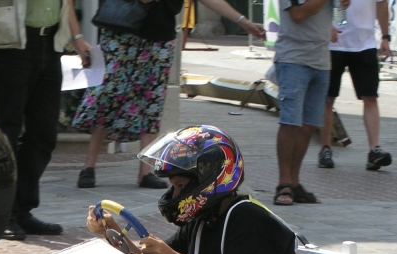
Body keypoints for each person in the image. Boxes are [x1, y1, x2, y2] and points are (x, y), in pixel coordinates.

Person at [75, 0, 265, 191]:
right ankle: (88, 167)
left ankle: (145, 172)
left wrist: (243, 21)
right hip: (122, 33)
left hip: (160, 38)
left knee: (152, 101)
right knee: (108, 96)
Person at [87, 126, 297, 254]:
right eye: (173, 187)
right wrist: (111, 230)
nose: (175, 194)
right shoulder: (202, 220)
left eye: (181, 185)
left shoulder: (250, 220)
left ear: (211, 180)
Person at [0, 0, 90, 239]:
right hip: (10, 42)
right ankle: (2, 213)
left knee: (44, 133)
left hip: (49, 43)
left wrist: (77, 37)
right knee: (7, 130)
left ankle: (22, 210)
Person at [272, 0, 349, 206]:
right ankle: (283, 183)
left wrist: (343, 4)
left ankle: (295, 182)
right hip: (293, 58)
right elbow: (298, 14)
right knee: (290, 121)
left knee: (309, 124)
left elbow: (340, 12)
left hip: (321, 59)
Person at [316, 0, 392, 170]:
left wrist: (386, 37)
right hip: (334, 44)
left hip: (365, 44)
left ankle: (374, 150)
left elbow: (382, 4)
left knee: (371, 97)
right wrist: (325, 26)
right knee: (328, 98)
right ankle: (325, 148)